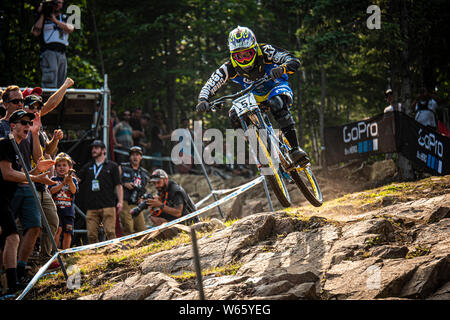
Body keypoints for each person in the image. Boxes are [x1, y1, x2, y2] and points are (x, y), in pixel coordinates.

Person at [196, 26, 309, 167]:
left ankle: (295, 149)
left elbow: (292, 60)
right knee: (234, 115)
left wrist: (283, 68)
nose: (243, 60)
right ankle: (258, 149)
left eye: (247, 54)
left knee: (276, 103)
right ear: (232, 55)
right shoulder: (229, 67)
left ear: (255, 49)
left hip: (276, 86)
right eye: (239, 56)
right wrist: (203, 99)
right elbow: (212, 82)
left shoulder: (266, 51)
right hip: (254, 94)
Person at [0, 110, 54, 295]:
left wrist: (36, 171)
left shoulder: (16, 149)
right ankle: (11, 286)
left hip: (6, 199)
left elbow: (19, 177)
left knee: (10, 238)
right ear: (12, 125)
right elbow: (7, 174)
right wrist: (37, 179)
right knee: (13, 237)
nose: (27, 126)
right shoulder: (6, 144)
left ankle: (11, 286)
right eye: (23, 122)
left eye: (29, 123)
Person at [77, 140, 123, 244]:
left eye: (96, 148)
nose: (93, 150)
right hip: (91, 206)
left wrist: (120, 201)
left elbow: (118, 185)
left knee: (110, 232)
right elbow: (77, 179)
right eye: (93, 148)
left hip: (108, 205)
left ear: (104, 150)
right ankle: (94, 256)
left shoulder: (112, 166)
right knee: (91, 235)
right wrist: (68, 174)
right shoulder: (88, 166)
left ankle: (114, 253)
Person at [32, 0, 74, 88]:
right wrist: (43, 13)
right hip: (49, 51)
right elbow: (35, 32)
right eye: (55, 2)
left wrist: (54, 20)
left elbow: (70, 29)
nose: (57, 5)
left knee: (61, 80)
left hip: (62, 52)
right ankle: (49, 98)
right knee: (50, 77)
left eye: (59, 2)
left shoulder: (64, 17)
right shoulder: (43, 18)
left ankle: (59, 99)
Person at [49, 153, 78, 249]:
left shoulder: (73, 179)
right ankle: (56, 253)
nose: (61, 168)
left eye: (64, 165)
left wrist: (69, 181)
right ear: (55, 168)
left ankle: (66, 253)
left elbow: (74, 191)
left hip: (68, 211)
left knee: (68, 232)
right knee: (58, 230)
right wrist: (62, 183)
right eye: (59, 165)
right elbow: (51, 191)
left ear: (69, 167)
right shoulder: (53, 179)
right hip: (55, 211)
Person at [119, 146, 149, 235]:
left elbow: (144, 189)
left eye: (137, 155)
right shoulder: (122, 167)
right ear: (129, 157)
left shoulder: (144, 173)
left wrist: (142, 198)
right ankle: (127, 248)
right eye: (133, 155)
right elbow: (115, 183)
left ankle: (139, 248)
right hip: (125, 202)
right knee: (128, 227)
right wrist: (124, 184)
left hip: (137, 205)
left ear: (141, 157)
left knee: (142, 229)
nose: (135, 157)